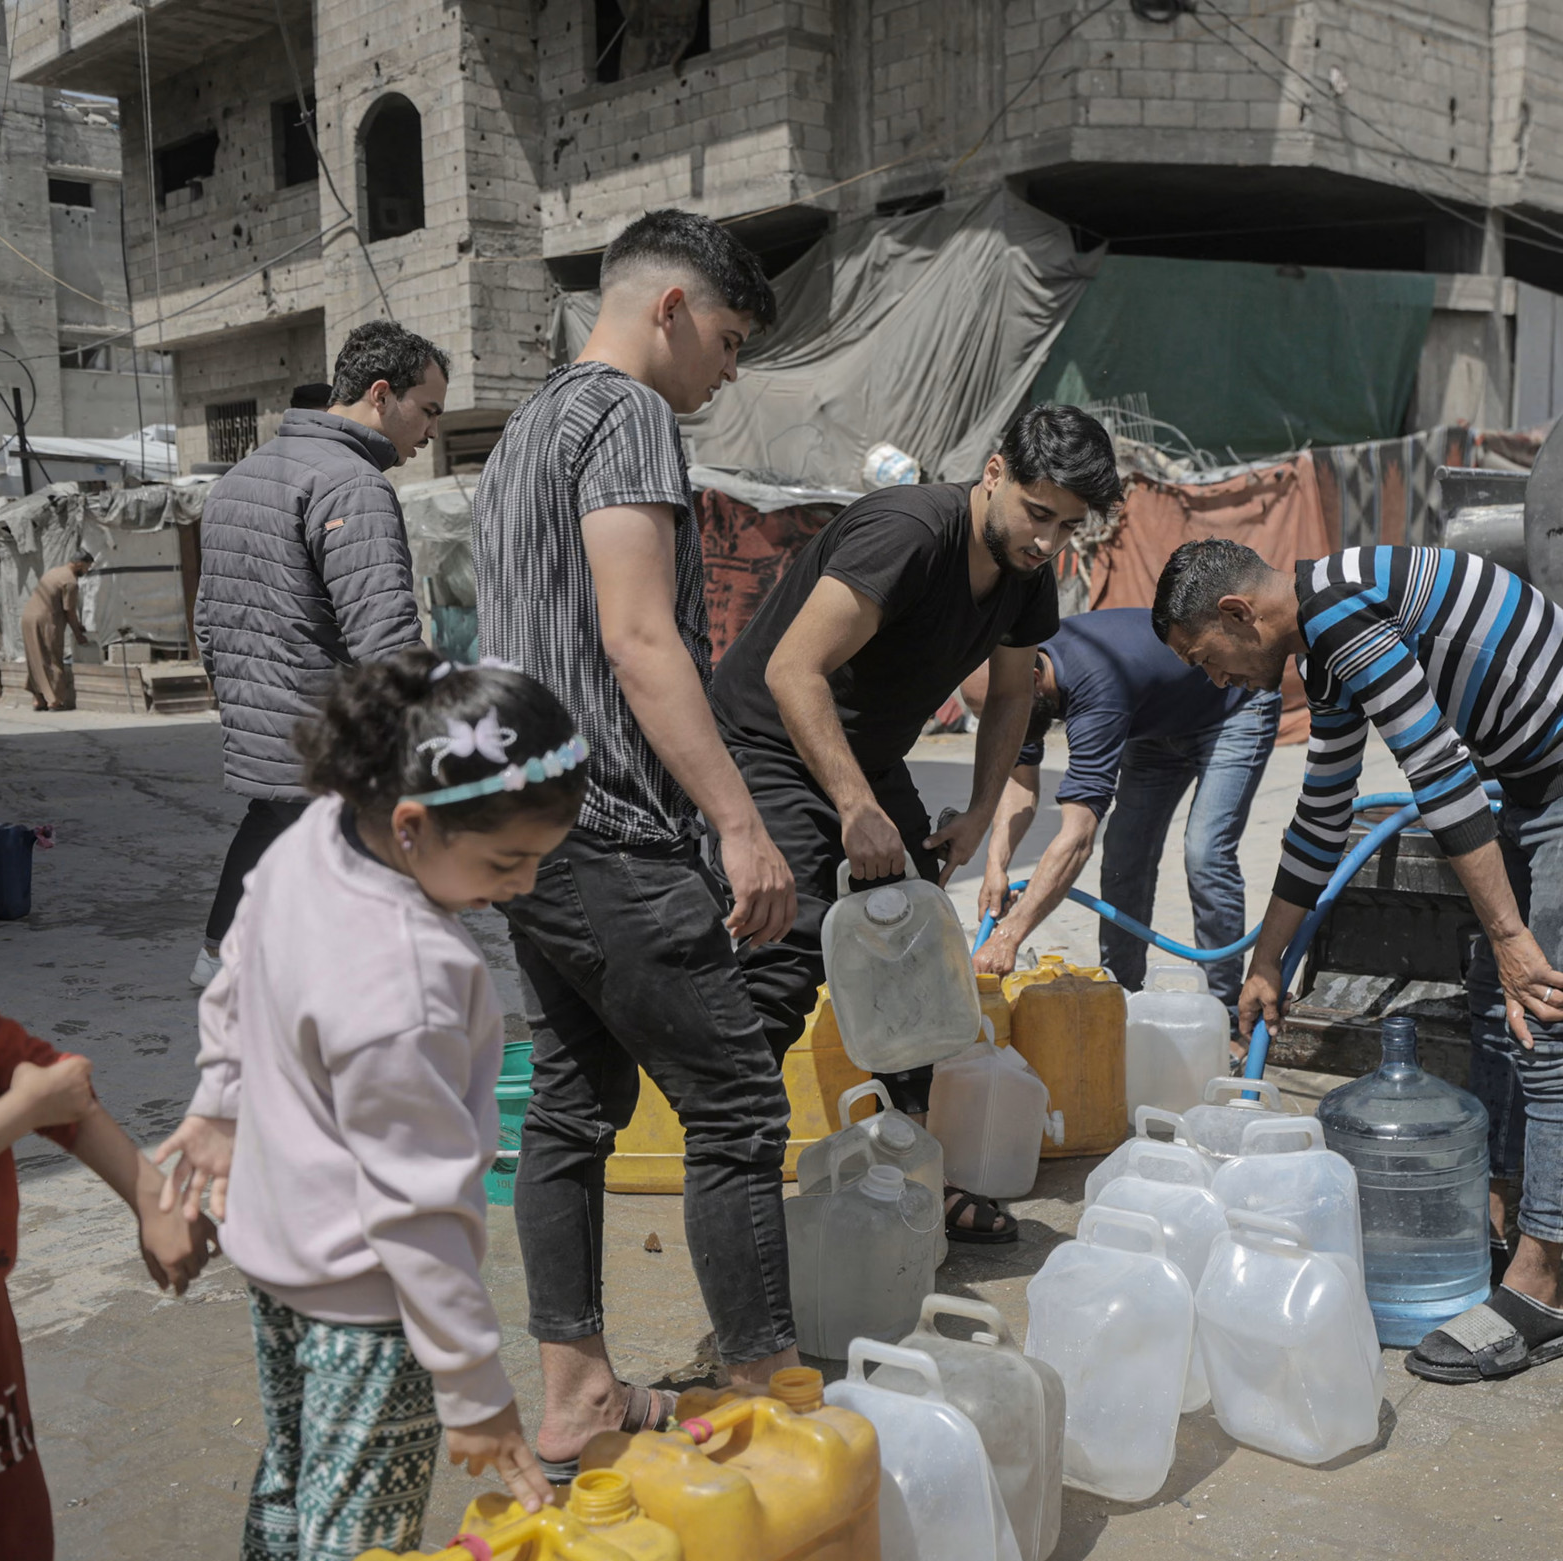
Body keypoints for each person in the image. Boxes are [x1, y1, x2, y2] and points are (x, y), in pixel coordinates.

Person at [1151, 539, 1563, 1383]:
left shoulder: (1338, 609)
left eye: (1205, 658)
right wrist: (1266, 960)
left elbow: (1436, 770)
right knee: (1487, 1001)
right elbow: (1323, 813)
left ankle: (1540, 1294)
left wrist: (1511, 938)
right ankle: (1500, 1220)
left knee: (1546, 1008)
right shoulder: (1323, 643)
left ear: (1238, 614)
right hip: (1539, 779)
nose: (1214, 679)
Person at [475, 209, 801, 1477]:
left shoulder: (520, 429)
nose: (726, 373)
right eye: (725, 341)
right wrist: (737, 824)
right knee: (734, 1102)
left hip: (524, 828)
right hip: (608, 828)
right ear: (668, 309)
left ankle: (576, 1398)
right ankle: (761, 1390)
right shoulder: (625, 417)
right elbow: (640, 639)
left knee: (570, 1104)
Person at [152, 652, 580, 1561]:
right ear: (413, 824)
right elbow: (417, 1207)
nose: (521, 888)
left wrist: (219, 1106)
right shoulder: (413, 976)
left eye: (538, 863)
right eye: (507, 862)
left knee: (298, 1481)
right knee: (363, 1552)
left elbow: (233, 973)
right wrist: (475, 1392)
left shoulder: (313, 838)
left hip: (275, 1254)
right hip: (370, 1303)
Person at [710, 402, 1123, 1245]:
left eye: (1068, 526)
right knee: (784, 962)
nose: (1047, 541)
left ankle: (913, 1177)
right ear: (996, 473)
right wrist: (856, 810)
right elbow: (793, 671)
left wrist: (978, 811)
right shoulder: (907, 534)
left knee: (911, 963)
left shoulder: (1025, 570)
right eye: (1039, 514)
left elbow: (1011, 693)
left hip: (865, 754)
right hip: (769, 740)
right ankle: (737, 1193)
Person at [0, 870, 213, 1561]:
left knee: (5, 1546)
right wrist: (17, 1113)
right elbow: (37, 1098)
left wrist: (151, 1196)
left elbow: (55, 1086)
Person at [190, 320, 447, 990]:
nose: (431, 433)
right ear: (382, 395)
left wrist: (240, 703)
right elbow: (384, 639)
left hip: (264, 725)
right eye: (429, 411)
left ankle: (220, 956)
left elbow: (208, 621)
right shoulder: (352, 485)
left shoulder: (238, 478)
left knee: (274, 824)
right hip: (329, 737)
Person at [960, 605, 1283, 1015]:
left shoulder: (1093, 684)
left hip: (1234, 707)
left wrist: (1009, 936)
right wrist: (995, 863)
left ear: (1035, 678)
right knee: (1124, 856)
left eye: (999, 715)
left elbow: (1077, 837)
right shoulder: (1018, 689)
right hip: (1154, 724)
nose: (997, 727)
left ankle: (1228, 1014)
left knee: (1205, 853)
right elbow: (1022, 783)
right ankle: (1119, 1000)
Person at [19, 551, 92, 712]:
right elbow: (69, 611)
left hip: (28, 618)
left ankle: (38, 699)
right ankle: (55, 700)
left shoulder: (54, 572)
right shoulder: (70, 581)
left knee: (36, 659)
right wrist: (79, 635)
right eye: (87, 567)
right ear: (80, 564)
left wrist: (78, 626)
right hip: (46, 621)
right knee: (53, 658)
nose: (87, 571)